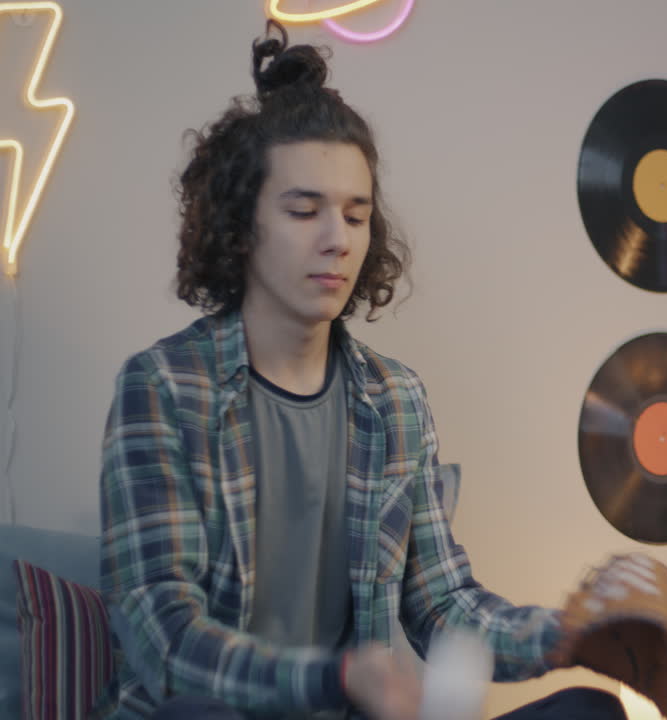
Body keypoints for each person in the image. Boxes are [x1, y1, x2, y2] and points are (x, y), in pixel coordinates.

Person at [98, 21, 629, 720]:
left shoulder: (396, 400)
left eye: (356, 214)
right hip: (212, 713)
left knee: (589, 711)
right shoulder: (163, 388)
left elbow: (443, 605)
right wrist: (336, 678)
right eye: (303, 210)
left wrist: (570, 639)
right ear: (239, 226)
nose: (336, 240)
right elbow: (164, 638)